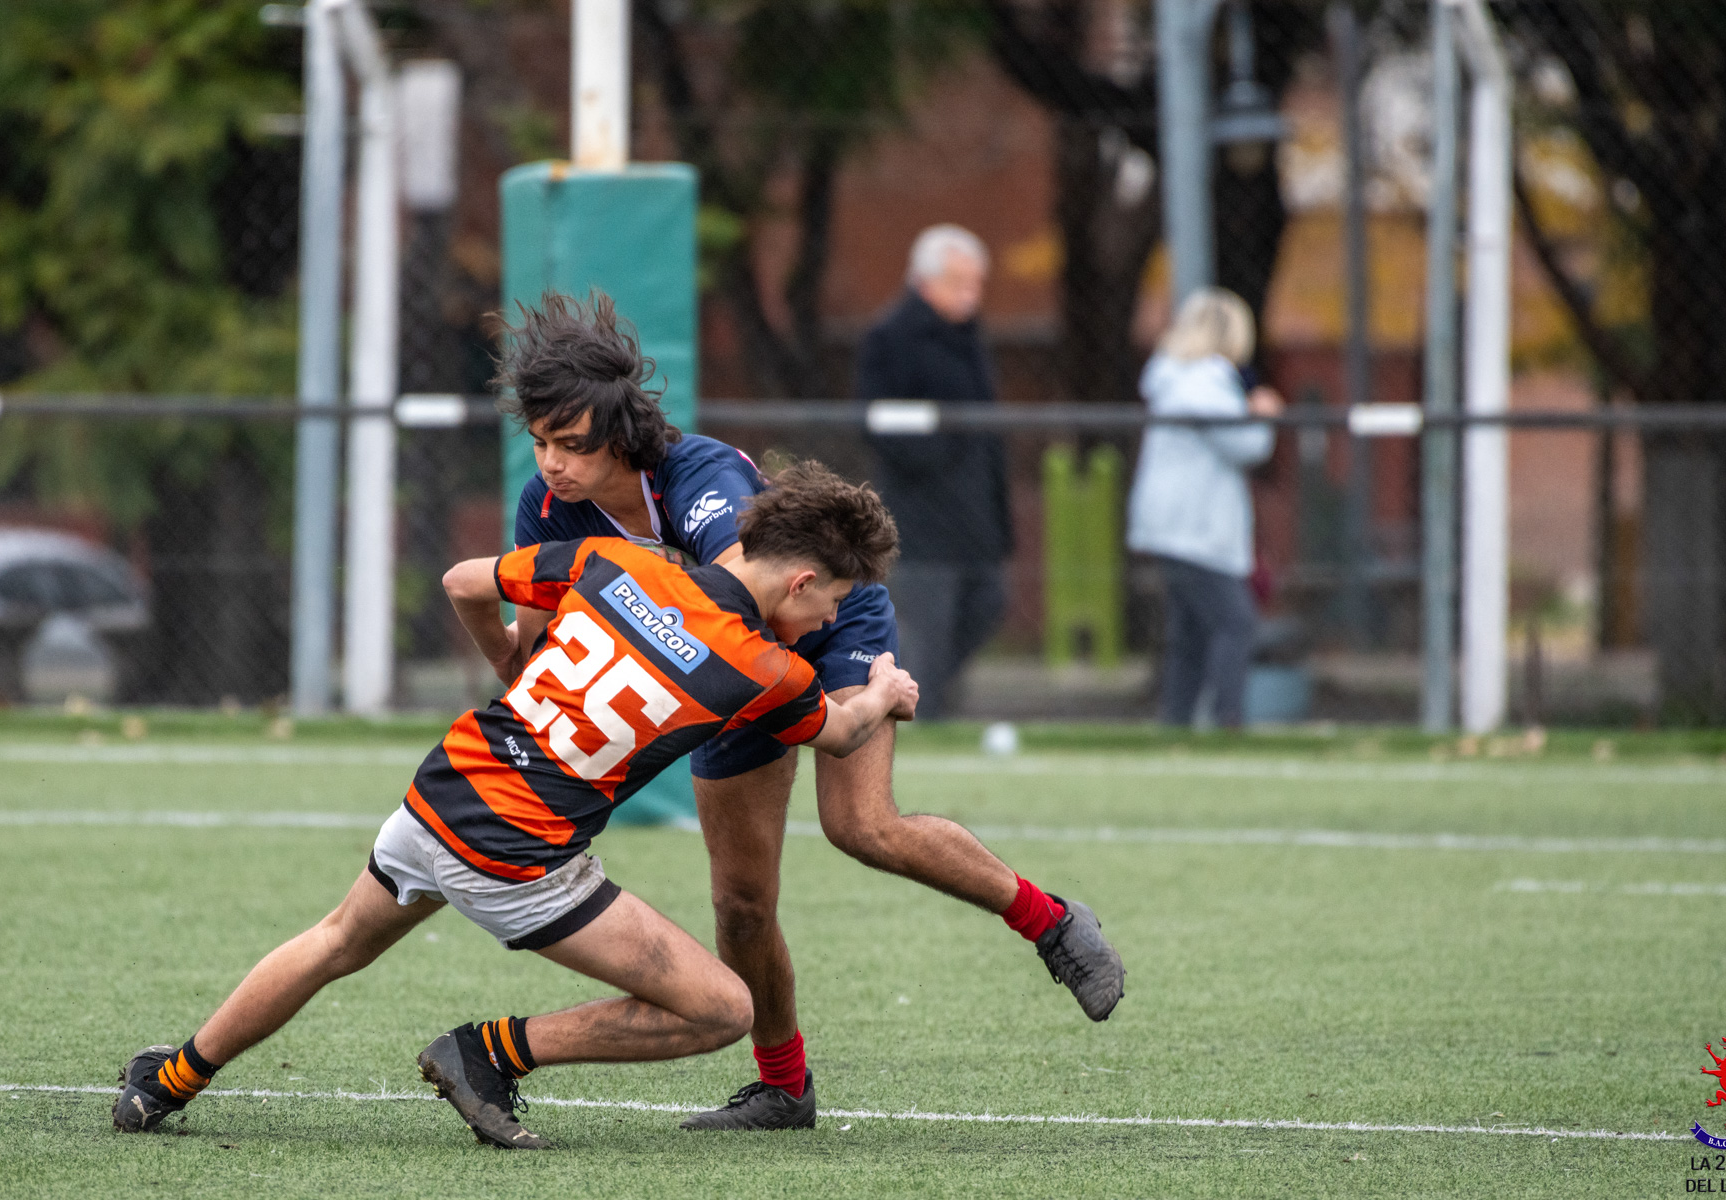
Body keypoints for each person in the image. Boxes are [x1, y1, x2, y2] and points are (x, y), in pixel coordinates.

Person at [113, 463, 920, 1148]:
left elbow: (465, 580)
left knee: (334, 941)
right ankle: (491, 1052)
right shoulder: (764, 670)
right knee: (722, 1010)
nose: (827, 620)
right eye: (833, 602)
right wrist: (885, 689)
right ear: (804, 579)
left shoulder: (616, 560)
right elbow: (844, 732)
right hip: (514, 859)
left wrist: (507, 656)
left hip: (441, 794)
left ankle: (169, 1079)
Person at [503, 290, 1125, 1132]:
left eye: (570, 445)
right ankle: (784, 1088)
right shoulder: (545, 507)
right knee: (742, 905)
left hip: (821, 619)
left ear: (620, 433)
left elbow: (740, 602)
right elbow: (537, 645)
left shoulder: (698, 477)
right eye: (539, 443)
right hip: (723, 665)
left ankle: (1050, 924)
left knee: (862, 825)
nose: (551, 464)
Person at [858, 224, 1011, 718]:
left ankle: (932, 703)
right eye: (961, 281)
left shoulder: (969, 336)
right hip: (921, 513)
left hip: (976, 513)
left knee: (986, 602)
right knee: (928, 624)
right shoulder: (892, 337)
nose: (973, 293)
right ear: (928, 280)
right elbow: (878, 421)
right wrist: (940, 457)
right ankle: (924, 719)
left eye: (977, 281)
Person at [1126, 287, 1282, 729]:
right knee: (1236, 623)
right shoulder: (1205, 382)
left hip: (1173, 525)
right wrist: (1262, 416)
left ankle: (1176, 723)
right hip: (1193, 528)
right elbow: (1245, 445)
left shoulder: (1173, 379)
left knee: (1190, 634)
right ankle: (1226, 718)